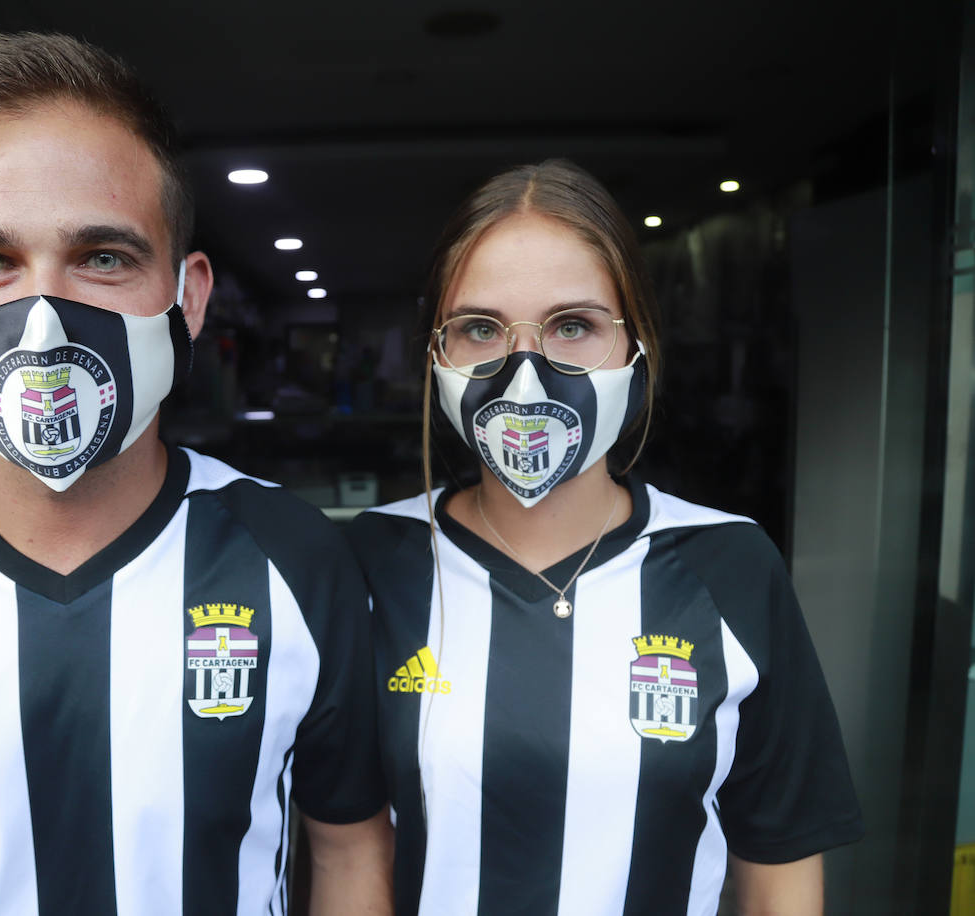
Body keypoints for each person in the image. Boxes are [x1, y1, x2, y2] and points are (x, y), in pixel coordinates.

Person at [0, 31, 392, 915]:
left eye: (103, 257)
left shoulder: (292, 554)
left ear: (186, 296)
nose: (43, 322)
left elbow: (345, 856)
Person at [346, 160, 862, 915]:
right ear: (437, 352)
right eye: (481, 328)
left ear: (637, 347)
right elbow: (342, 851)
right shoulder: (372, 560)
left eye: (574, 325)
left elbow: (778, 870)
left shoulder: (730, 563)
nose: (525, 374)